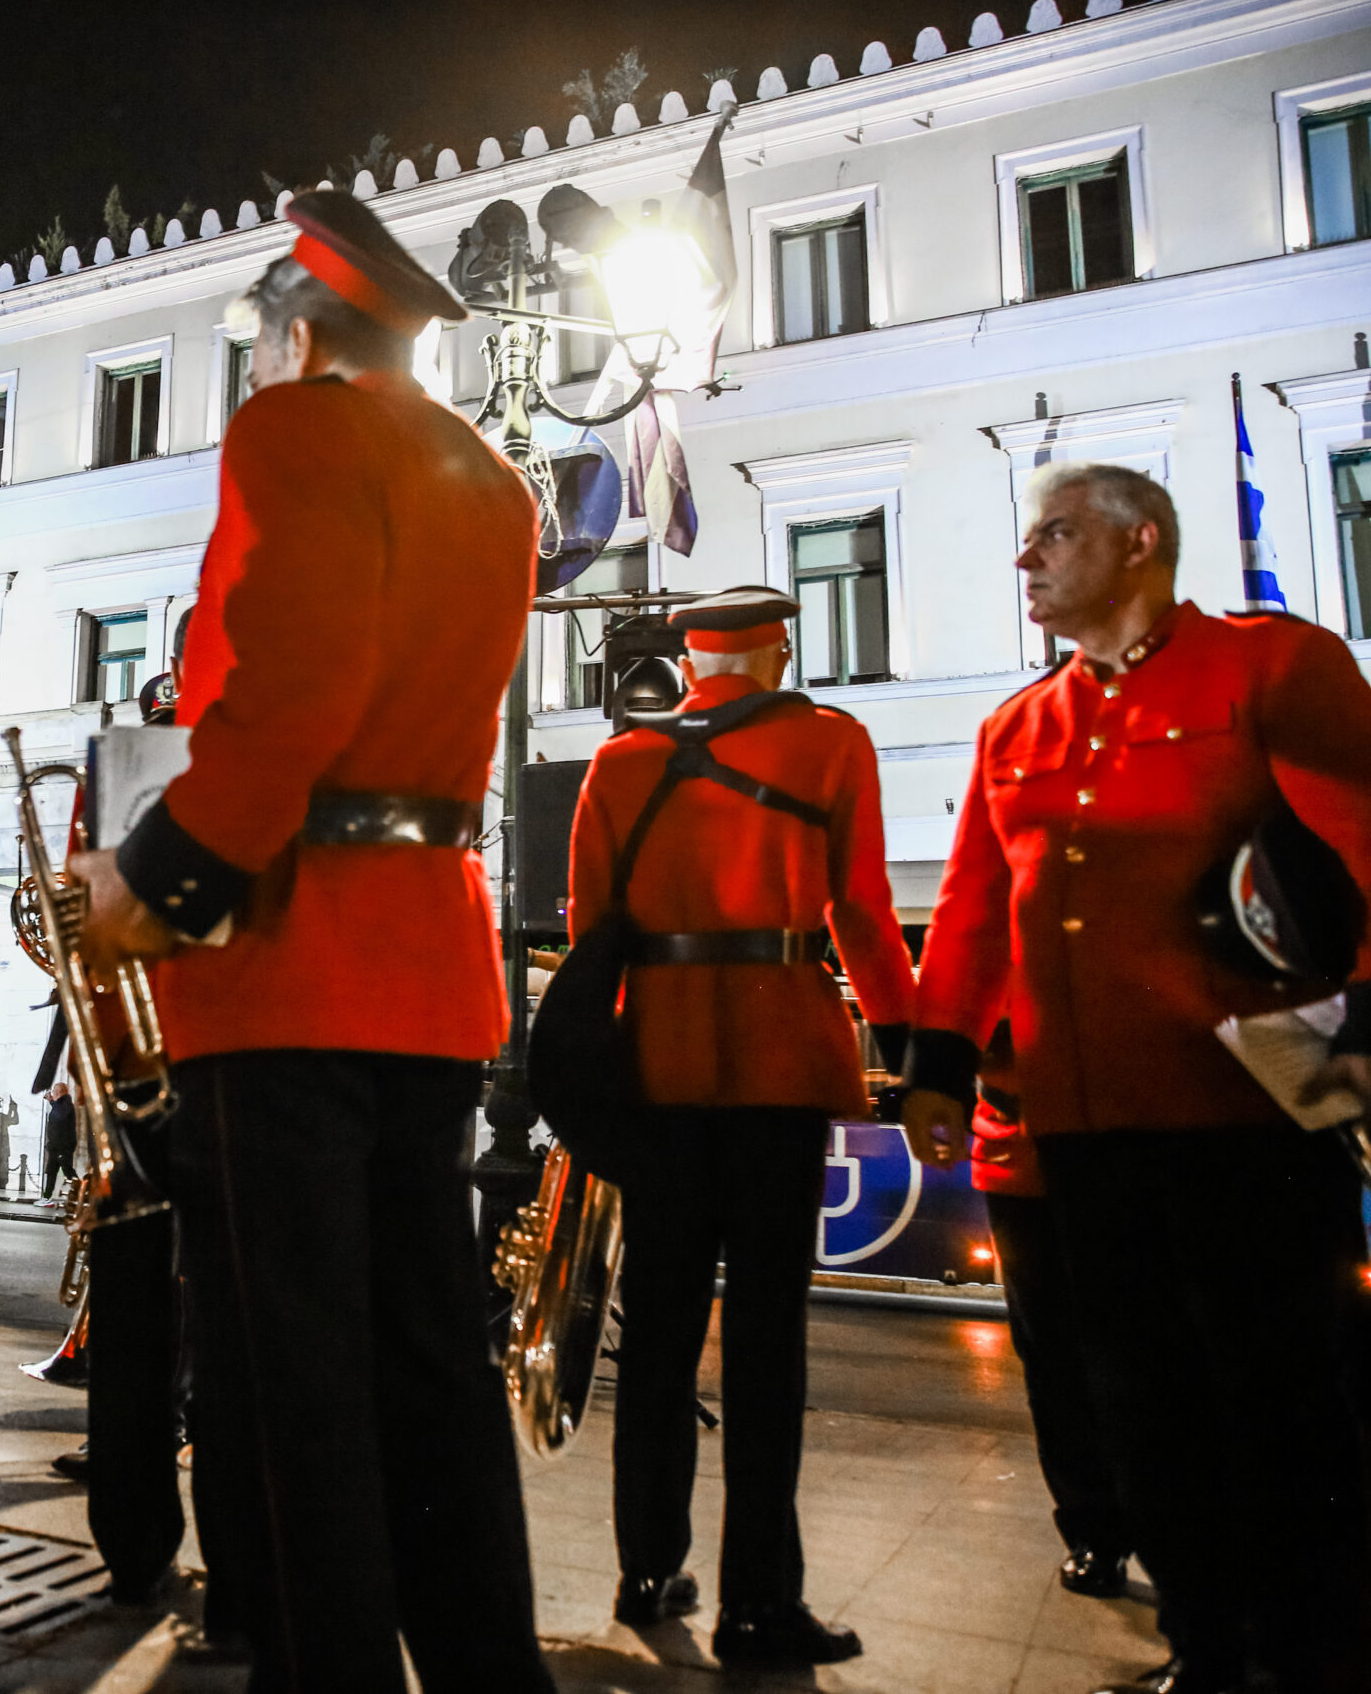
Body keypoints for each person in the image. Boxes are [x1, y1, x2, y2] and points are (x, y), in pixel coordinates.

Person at [72, 189, 555, 1694]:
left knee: (289, 1391)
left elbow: (292, 694)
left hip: (286, 962)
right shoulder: (494, 477)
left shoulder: (295, 431)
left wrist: (151, 879)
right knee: (429, 1367)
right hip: (426, 966)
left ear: (293, 328)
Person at [902, 463, 1371, 1694]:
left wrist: (1358, 1045)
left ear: (1139, 541)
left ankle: (1314, 1649)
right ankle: (1206, 1647)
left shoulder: (1273, 669)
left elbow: (1364, 849)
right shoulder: (1016, 728)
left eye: (1052, 535)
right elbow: (970, 910)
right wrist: (938, 1062)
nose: (1027, 561)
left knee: (1283, 1397)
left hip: (1255, 1109)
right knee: (1142, 1403)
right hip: (1088, 1123)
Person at [566, 586, 913, 1667]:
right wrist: (906, 1041)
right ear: (777, 651)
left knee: (659, 1332)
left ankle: (644, 1568)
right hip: (778, 1068)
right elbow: (858, 908)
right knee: (768, 1341)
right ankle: (761, 1600)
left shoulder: (619, 763)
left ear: (692, 659)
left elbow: (587, 929)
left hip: (657, 1075)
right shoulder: (829, 743)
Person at [967, 1025, 1134, 1599]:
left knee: (1076, 1351)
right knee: (1053, 1351)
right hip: (1027, 1139)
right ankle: (1096, 1528)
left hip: (1116, 1129)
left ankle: (1113, 1528)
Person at [40, 1082, 77, 1207]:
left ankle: (84, 1193)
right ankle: (46, 1197)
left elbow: (60, 1116)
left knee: (68, 1171)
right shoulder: (60, 1104)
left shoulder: (66, 1103)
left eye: (55, 1091)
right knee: (51, 1171)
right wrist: (51, 1101)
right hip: (55, 1145)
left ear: (60, 1092)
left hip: (63, 1145)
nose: (53, 1093)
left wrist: (53, 1102)